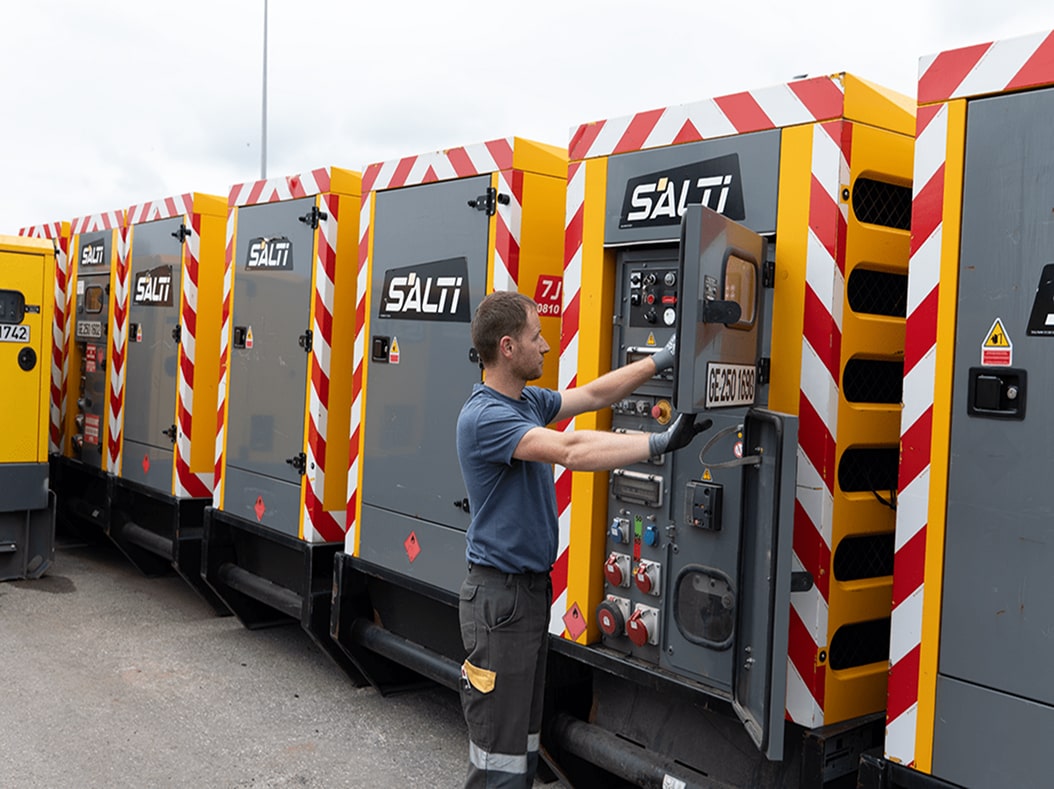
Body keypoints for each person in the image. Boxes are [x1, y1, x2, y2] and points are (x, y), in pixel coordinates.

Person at [455, 289, 708, 788]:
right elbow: (570, 449)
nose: (546, 346)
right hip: (500, 599)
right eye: (536, 336)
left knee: (520, 749)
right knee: (498, 759)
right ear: (507, 347)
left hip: (524, 595)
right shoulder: (486, 417)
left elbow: (592, 396)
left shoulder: (525, 401)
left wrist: (662, 358)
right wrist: (657, 442)